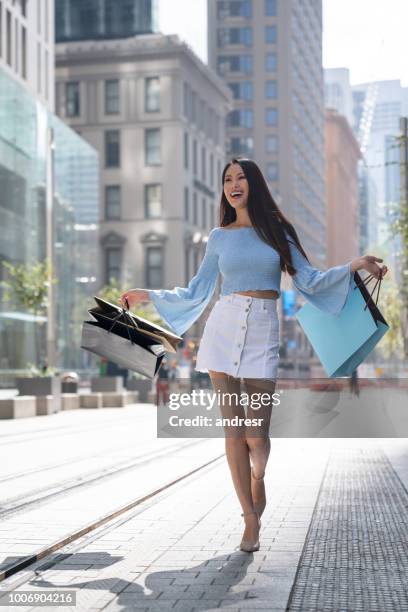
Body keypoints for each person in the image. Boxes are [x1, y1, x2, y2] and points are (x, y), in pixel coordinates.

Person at [119, 157, 388, 552]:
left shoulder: (277, 231)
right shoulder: (218, 237)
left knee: (256, 438)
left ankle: (258, 475)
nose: (233, 184)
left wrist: (354, 265)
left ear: (254, 184)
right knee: (233, 432)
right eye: (227, 179)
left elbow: (310, 279)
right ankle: (249, 518)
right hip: (223, 330)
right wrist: (149, 295)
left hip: (263, 329)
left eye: (240, 177)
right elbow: (197, 290)